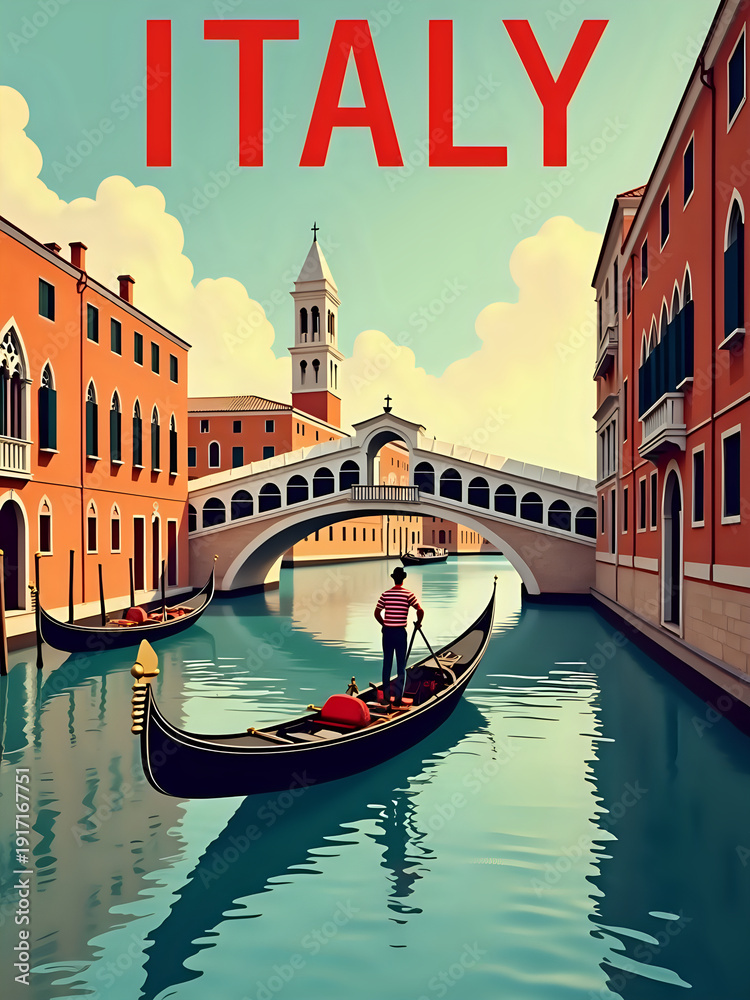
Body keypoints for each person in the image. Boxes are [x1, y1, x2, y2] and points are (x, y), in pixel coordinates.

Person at [374, 567, 424, 707]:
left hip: (387, 633)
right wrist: (418, 623)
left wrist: (384, 624)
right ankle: (397, 699)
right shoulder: (408, 594)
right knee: (401, 666)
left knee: (387, 664)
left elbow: (376, 613)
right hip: (400, 633)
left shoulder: (385, 595)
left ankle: (386, 697)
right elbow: (420, 610)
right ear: (403, 579)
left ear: (393, 578)